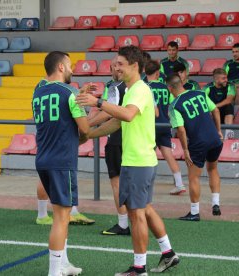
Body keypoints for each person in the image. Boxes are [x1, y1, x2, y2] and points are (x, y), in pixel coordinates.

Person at [76, 46, 179, 275]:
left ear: (134, 66)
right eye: (115, 63)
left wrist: (98, 102)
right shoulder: (135, 90)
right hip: (141, 160)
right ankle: (168, 253)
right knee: (145, 210)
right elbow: (121, 121)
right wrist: (89, 135)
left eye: (120, 63)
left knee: (136, 214)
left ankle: (139, 268)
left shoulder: (139, 90)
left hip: (138, 161)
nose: (115, 67)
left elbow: (128, 114)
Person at [32, 51, 89, 276]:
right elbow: (84, 129)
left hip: (43, 158)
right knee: (62, 217)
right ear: (61, 67)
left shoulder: (37, 93)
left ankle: (63, 264)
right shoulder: (70, 93)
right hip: (62, 160)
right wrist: (81, 137)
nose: (72, 69)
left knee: (59, 214)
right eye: (70, 65)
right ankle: (54, 272)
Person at [167, 73, 223, 221]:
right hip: (215, 139)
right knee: (213, 169)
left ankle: (194, 212)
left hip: (198, 143)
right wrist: (218, 130)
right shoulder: (200, 93)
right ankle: (216, 204)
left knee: (193, 177)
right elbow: (216, 110)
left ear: (170, 88)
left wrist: (185, 150)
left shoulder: (174, 105)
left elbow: (180, 130)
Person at [88, 56, 130, 235]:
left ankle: (123, 224)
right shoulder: (141, 87)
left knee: (117, 182)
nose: (115, 69)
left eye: (118, 66)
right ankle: (137, 221)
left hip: (117, 139)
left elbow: (107, 112)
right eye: (114, 66)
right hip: (135, 139)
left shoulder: (115, 87)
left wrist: (85, 126)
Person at [145, 59, 186, 195]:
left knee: (147, 156)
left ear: (145, 72)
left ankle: (145, 185)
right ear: (158, 73)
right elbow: (171, 106)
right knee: (169, 155)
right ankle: (179, 184)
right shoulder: (165, 87)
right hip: (165, 124)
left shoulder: (144, 87)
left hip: (150, 126)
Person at [203, 68, 236, 140]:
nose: (226, 80)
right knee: (207, 110)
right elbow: (201, 100)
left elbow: (229, 100)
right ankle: (212, 134)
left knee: (229, 106)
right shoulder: (208, 87)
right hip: (213, 114)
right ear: (216, 79)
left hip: (224, 112)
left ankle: (228, 132)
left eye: (226, 77)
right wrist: (212, 109)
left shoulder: (230, 85)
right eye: (223, 78)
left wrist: (215, 107)